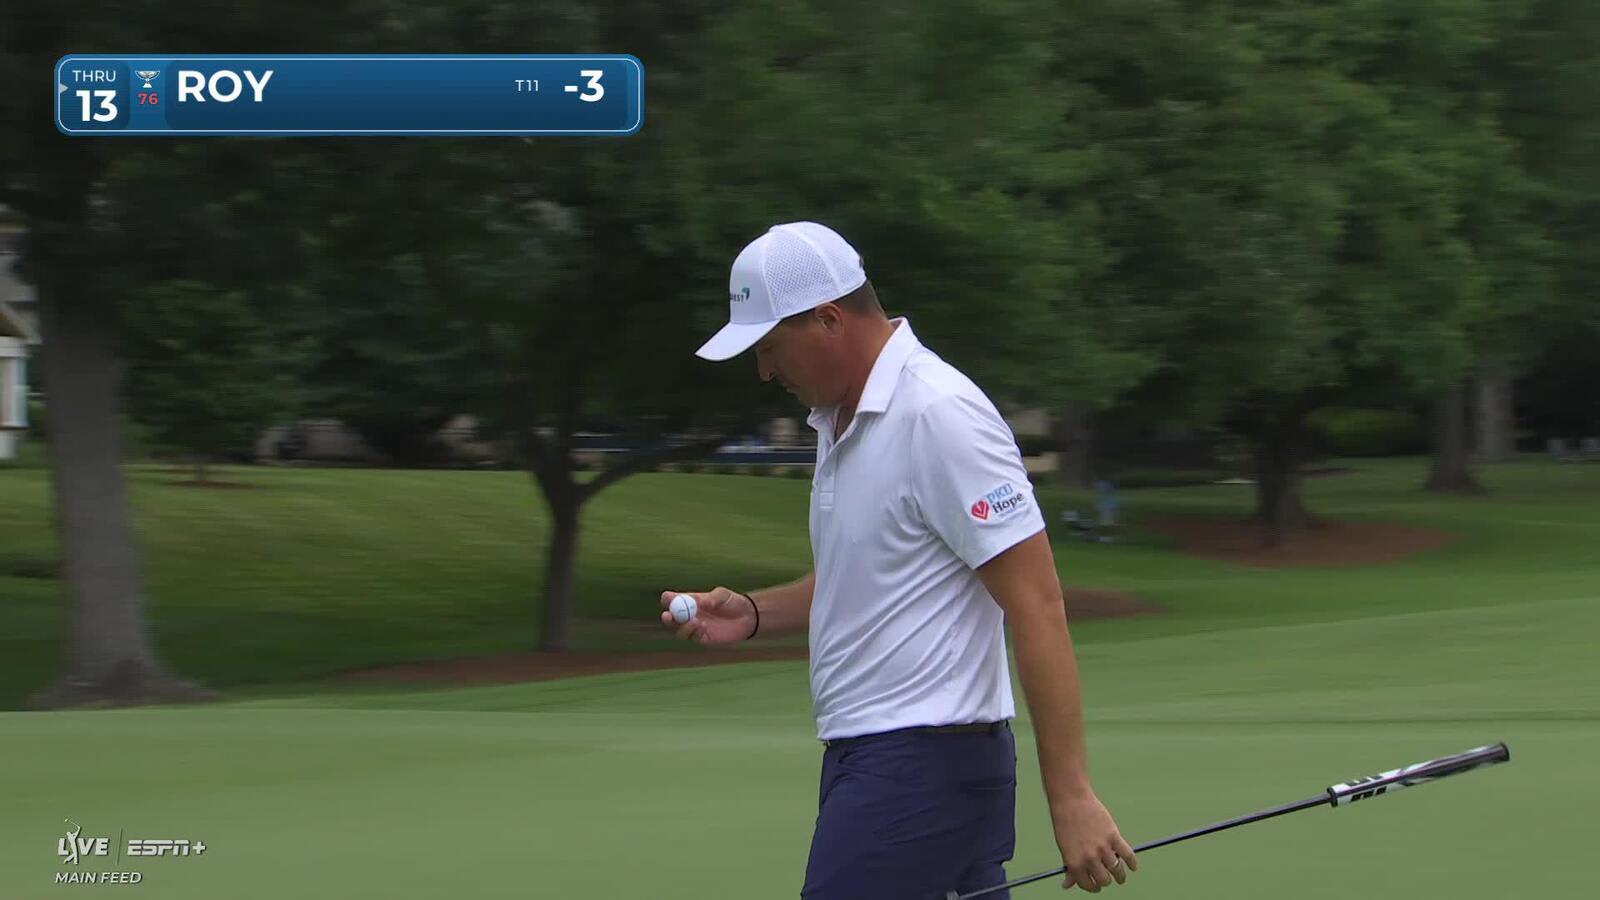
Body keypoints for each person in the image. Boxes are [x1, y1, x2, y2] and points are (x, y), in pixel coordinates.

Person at [660, 222, 1136, 898]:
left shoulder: (937, 413)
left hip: (922, 763)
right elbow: (876, 573)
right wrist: (757, 612)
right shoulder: (840, 420)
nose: (765, 371)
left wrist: (1072, 796)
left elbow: (1036, 603)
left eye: (770, 347)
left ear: (827, 320)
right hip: (881, 758)